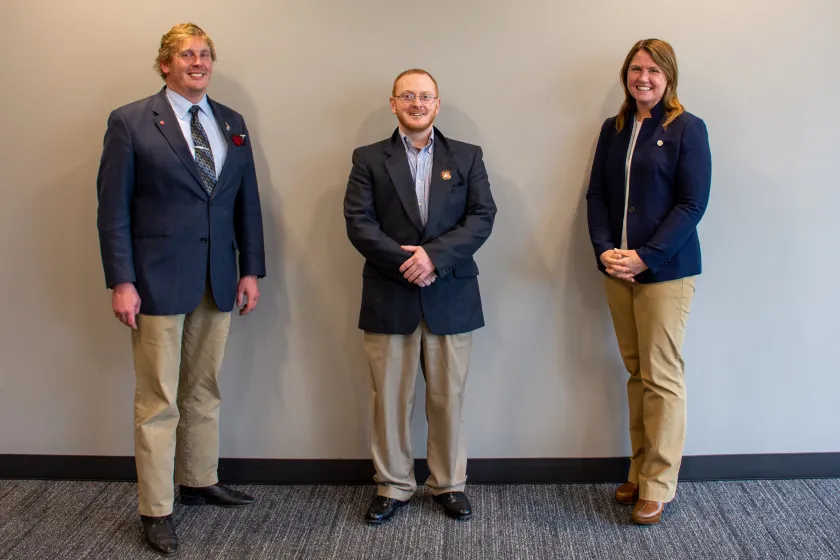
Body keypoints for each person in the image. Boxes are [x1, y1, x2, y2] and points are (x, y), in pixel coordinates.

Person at [96, 22, 266, 555]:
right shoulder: (130, 122)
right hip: (156, 282)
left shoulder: (232, 123)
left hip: (219, 279)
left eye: (206, 54)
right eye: (186, 54)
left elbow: (247, 204)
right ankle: (156, 508)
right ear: (165, 64)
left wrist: (250, 269)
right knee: (158, 399)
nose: (198, 62)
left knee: (204, 389)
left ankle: (198, 478)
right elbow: (112, 213)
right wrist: (122, 281)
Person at [344, 69, 496, 524]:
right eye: (407, 96)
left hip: (450, 294)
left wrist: (432, 257)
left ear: (437, 102)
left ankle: (448, 483)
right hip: (390, 294)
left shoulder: (467, 157)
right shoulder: (369, 158)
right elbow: (359, 222)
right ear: (393, 103)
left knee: (448, 398)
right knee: (388, 398)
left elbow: (482, 216)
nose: (416, 103)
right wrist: (406, 262)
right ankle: (392, 485)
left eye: (424, 96)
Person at [585, 38, 712, 525]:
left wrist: (645, 257)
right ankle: (638, 471)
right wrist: (604, 251)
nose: (644, 78)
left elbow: (691, 205)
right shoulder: (613, 129)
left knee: (662, 377)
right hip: (617, 270)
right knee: (637, 373)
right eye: (636, 69)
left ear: (669, 77)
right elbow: (596, 195)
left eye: (653, 71)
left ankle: (659, 483)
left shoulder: (687, 129)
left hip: (665, 272)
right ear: (626, 75)